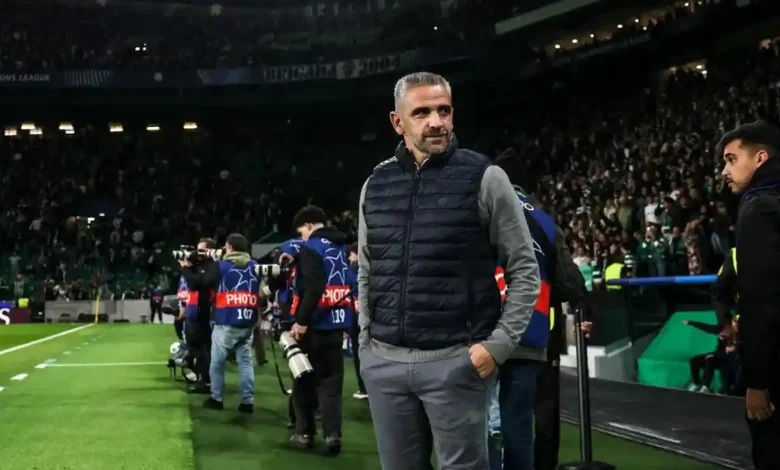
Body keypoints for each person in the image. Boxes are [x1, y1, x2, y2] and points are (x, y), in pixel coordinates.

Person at [357, 71, 541, 470]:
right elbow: (367, 270)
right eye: (422, 112)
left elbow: (525, 269)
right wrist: (365, 343)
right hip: (384, 362)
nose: (436, 121)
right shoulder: (375, 184)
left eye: (444, 110)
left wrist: (497, 347)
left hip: (457, 361)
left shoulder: (486, 178)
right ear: (398, 122)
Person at [487, 153, 588, 470]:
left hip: (487, 334)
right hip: (531, 335)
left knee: (487, 427)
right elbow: (573, 285)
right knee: (519, 427)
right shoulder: (544, 222)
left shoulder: (482, 210)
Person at [718, 120, 780, 469]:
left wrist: (757, 382)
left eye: (731, 159)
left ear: (759, 158)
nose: (724, 171)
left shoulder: (758, 207)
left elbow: (762, 300)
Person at [289, 205, 353, 455]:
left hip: (315, 326)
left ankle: (305, 433)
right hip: (337, 324)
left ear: (308, 225)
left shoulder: (312, 248)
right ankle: (333, 435)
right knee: (331, 385)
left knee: (303, 381)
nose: (302, 237)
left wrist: (301, 321)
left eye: (302, 232)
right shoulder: (341, 247)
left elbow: (314, 288)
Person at [183, 233, 260, 413]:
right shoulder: (254, 266)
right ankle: (247, 401)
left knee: (217, 363)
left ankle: (216, 398)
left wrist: (188, 267)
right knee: (245, 362)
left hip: (226, 319)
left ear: (230, 247)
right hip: (247, 319)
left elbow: (201, 282)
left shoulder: (222, 266)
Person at [178, 238, 218, 394]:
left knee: (203, 349)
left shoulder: (211, 267)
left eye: (201, 250)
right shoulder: (200, 266)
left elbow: (195, 283)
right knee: (195, 348)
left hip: (203, 313)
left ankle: (206, 381)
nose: (197, 253)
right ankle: (203, 378)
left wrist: (186, 268)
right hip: (194, 312)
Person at [346, 243, 366, 399]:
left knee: (359, 353)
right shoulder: (372, 269)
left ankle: (363, 388)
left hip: (356, 318)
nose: (349, 258)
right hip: (372, 318)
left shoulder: (350, 271)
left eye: (351, 254)